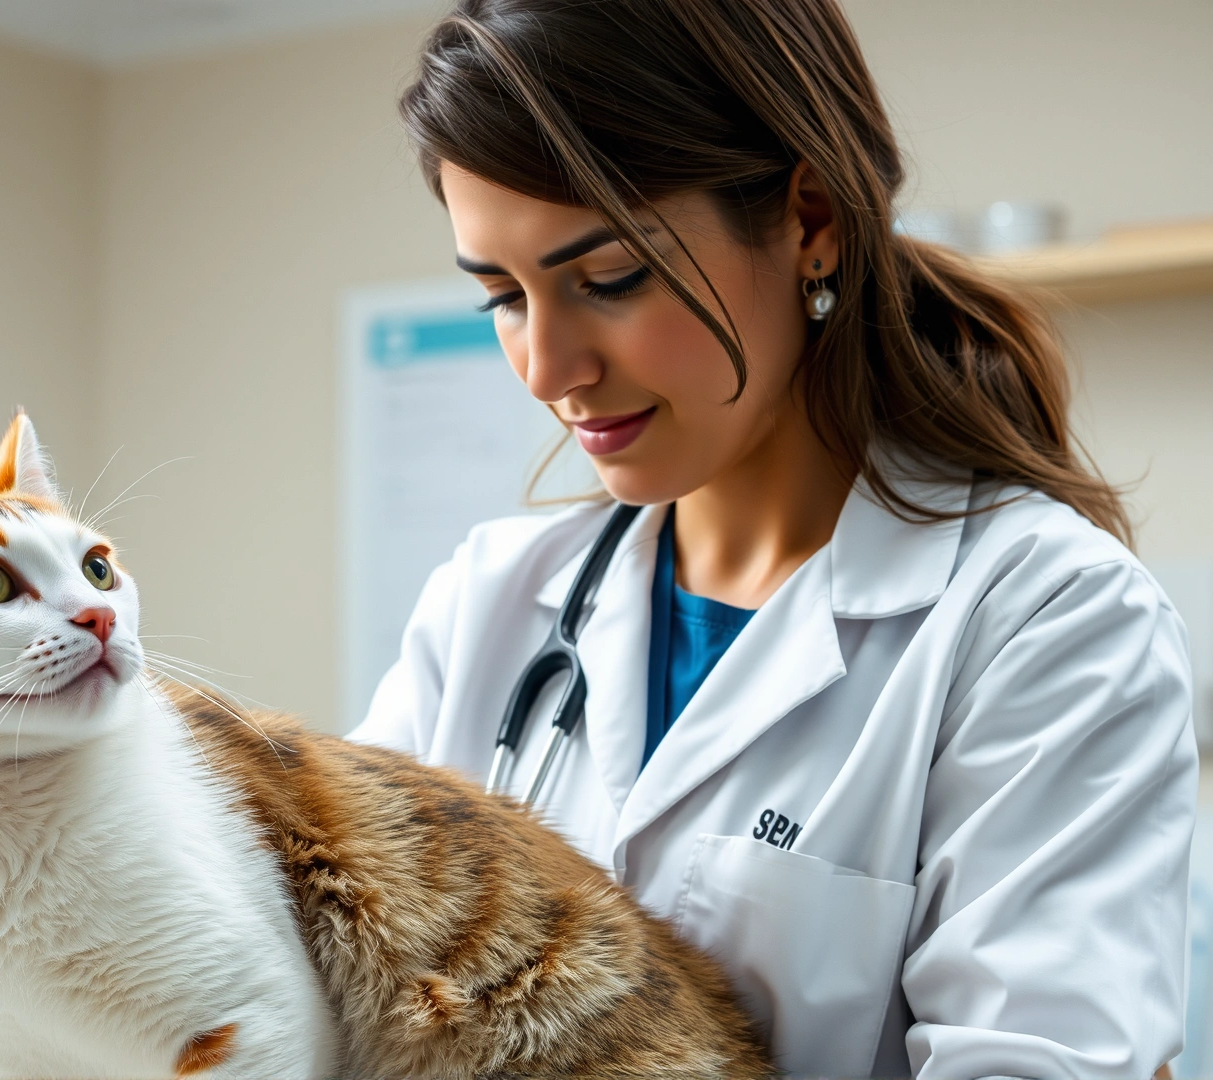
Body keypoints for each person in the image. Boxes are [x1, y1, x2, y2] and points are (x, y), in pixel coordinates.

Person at [348, 2, 1198, 1076]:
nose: (547, 368)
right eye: (504, 300)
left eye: (609, 280)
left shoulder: (1045, 618)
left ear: (811, 219)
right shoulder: (488, 604)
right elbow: (345, 993)